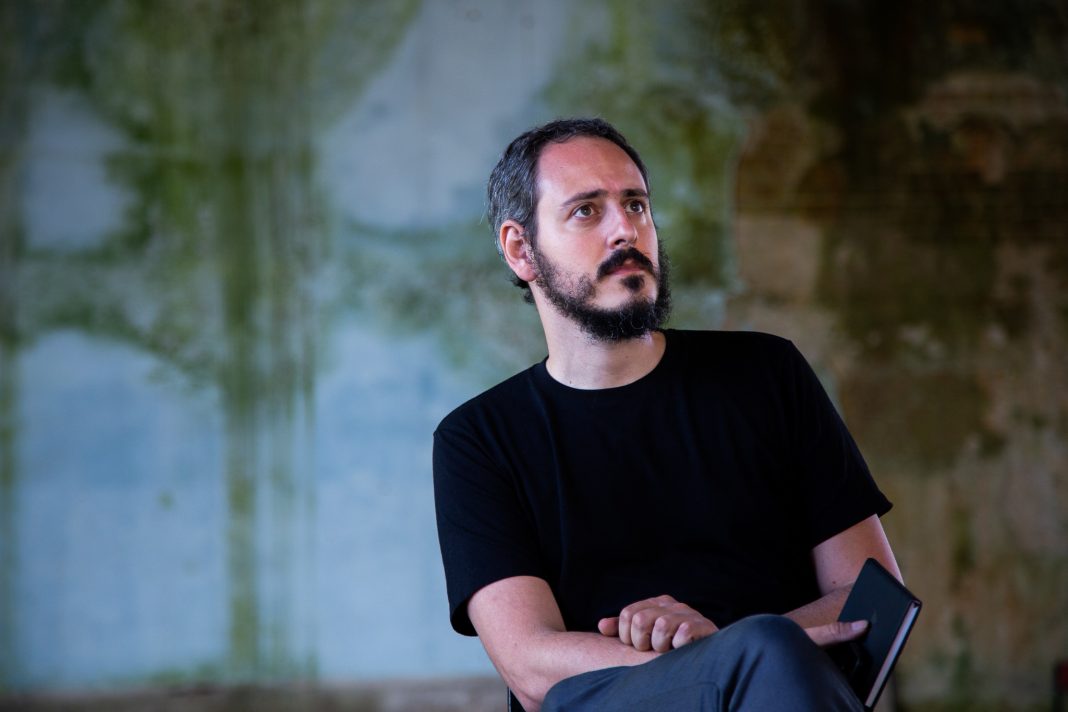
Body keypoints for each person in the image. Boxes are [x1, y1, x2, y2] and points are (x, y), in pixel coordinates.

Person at [433, 117, 901, 711]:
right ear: (521, 250)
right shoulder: (478, 440)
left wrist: (740, 652)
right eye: (586, 211)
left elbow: (874, 600)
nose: (625, 230)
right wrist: (726, 657)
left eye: (636, 205)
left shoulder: (767, 374)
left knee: (768, 649)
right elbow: (530, 664)